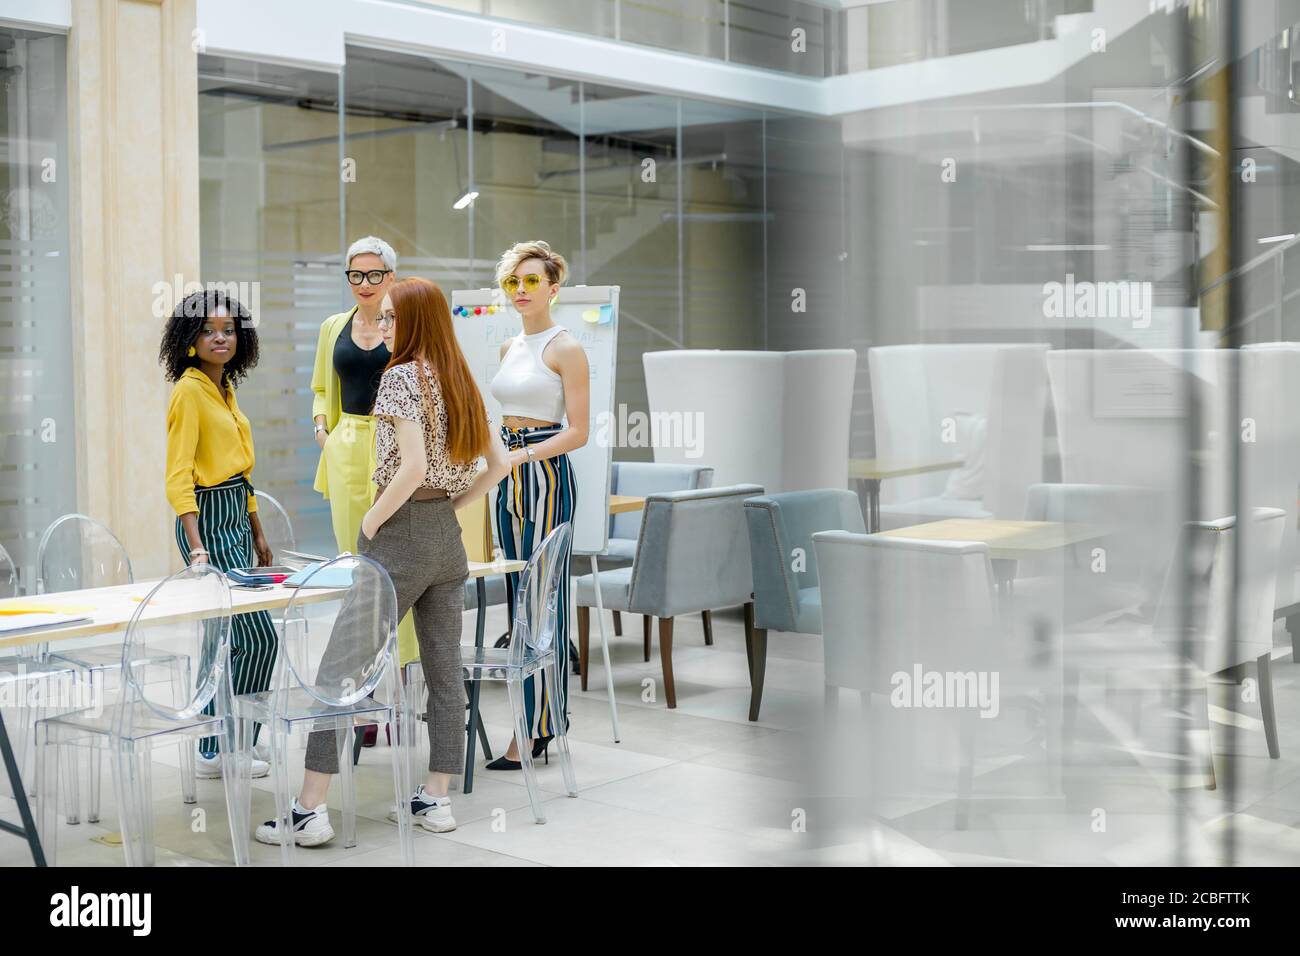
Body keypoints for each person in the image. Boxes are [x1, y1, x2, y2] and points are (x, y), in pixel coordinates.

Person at [255, 277, 509, 847]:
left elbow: (412, 466)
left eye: (393, 318)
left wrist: (372, 522)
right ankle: (436, 799)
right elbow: (500, 464)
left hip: (398, 536)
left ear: (416, 322)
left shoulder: (399, 377)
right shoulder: (461, 377)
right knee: (445, 676)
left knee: (338, 671)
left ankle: (309, 810)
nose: (383, 327)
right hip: (447, 539)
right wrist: (454, 506)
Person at [161, 290, 275, 779]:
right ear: (190, 339)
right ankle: (229, 743)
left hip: (234, 512)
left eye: (228, 330)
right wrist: (197, 544)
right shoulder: (188, 391)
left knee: (223, 637)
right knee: (257, 637)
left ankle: (216, 747)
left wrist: (258, 531)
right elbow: (178, 473)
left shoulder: (223, 388)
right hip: (205, 519)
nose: (219, 338)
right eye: (208, 330)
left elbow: (240, 472)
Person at [486, 240, 589, 771]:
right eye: (513, 283)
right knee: (515, 595)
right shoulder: (509, 348)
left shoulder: (565, 347)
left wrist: (522, 455)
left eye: (531, 281)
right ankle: (535, 720)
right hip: (510, 474)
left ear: (553, 287)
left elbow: (579, 432)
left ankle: (540, 725)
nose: (522, 291)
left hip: (546, 475)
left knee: (542, 600)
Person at [310, 235, 413, 745]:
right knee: (359, 573)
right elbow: (320, 390)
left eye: (375, 275)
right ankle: (364, 697)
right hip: (348, 447)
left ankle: (402, 687)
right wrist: (324, 433)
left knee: (398, 571)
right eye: (356, 275)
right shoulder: (333, 326)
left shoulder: (408, 323)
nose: (365, 285)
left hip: (400, 446)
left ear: (391, 276)